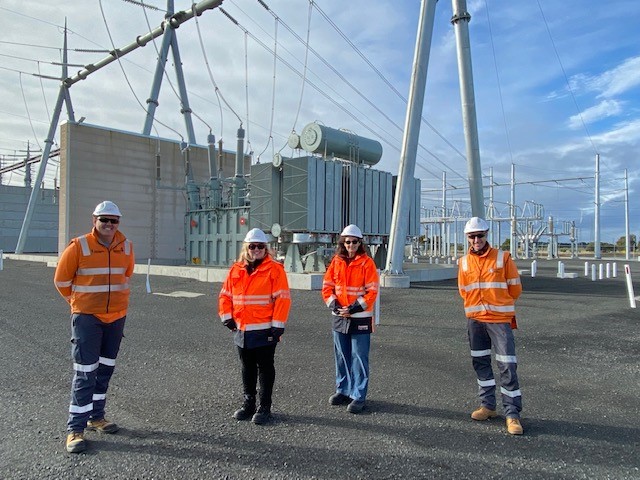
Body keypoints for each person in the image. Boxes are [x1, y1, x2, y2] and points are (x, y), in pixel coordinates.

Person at [54, 201, 135, 453]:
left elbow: (127, 275)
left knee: (105, 370)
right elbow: (61, 280)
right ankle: (75, 428)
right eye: (104, 220)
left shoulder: (127, 247)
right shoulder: (79, 246)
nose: (109, 225)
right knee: (85, 372)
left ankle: (96, 417)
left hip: (116, 318)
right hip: (88, 318)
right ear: (94, 220)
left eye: (114, 220)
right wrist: (79, 303)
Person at [457, 217, 524, 435]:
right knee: (480, 362)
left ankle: (512, 415)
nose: (476, 240)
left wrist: (497, 304)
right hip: (475, 320)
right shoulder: (464, 262)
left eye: (480, 235)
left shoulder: (503, 258)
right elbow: (463, 290)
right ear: (467, 238)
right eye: (472, 236)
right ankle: (487, 406)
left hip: (499, 320)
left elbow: (515, 288)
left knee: (507, 365)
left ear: (487, 235)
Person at [218, 228, 291, 425]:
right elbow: (225, 295)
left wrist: (277, 326)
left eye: (260, 246)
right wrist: (226, 317)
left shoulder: (275, 269)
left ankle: (264, 407)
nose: (256, 250)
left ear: (265, 248)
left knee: (265, 368)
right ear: (246, 248)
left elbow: (282, 299)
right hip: (242, 329)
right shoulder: (236, 269)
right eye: (252, 246)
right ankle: (248, 403)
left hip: (265, 329)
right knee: (247, 367)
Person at [322, 224, 379, 414]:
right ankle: (343, 390)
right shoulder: (336, 262)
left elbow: (372, 291)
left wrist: (353, 308)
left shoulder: (367, 263)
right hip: (339, 316)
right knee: (341, 355)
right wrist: (335, 306)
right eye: (348, 242)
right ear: (342, 243)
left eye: (355, 242)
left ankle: (358, 395)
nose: (351, 245)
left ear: (360, 243)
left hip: (360, 317)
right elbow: (327, 287)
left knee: (359, 357)